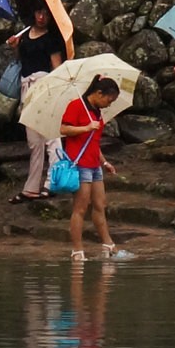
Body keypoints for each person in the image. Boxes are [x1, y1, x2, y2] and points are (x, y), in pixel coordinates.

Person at [62, 77, 131, 262]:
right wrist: (85, 127)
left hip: (94, 164)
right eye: (109, 100)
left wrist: (104, 161)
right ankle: (77, 250)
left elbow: (93, 142)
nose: (108, 104)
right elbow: (64, 129)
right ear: (99, 93)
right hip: (80, 164)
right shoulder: (76, 105)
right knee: (80, 208)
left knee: (100, 205)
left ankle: (108, 245)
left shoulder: (97, 112)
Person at [8, 5, 68, 204]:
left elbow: (57, 66)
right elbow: (22, 61)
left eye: (46, 14)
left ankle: (53, 182)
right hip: (27, 87)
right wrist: (15, 46)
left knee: (51, 135)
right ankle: (31, 187)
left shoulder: (51, 38)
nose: (41, 17)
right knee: (34, 140)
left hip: (44, 85)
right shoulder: (25, 34)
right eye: (38, 12)